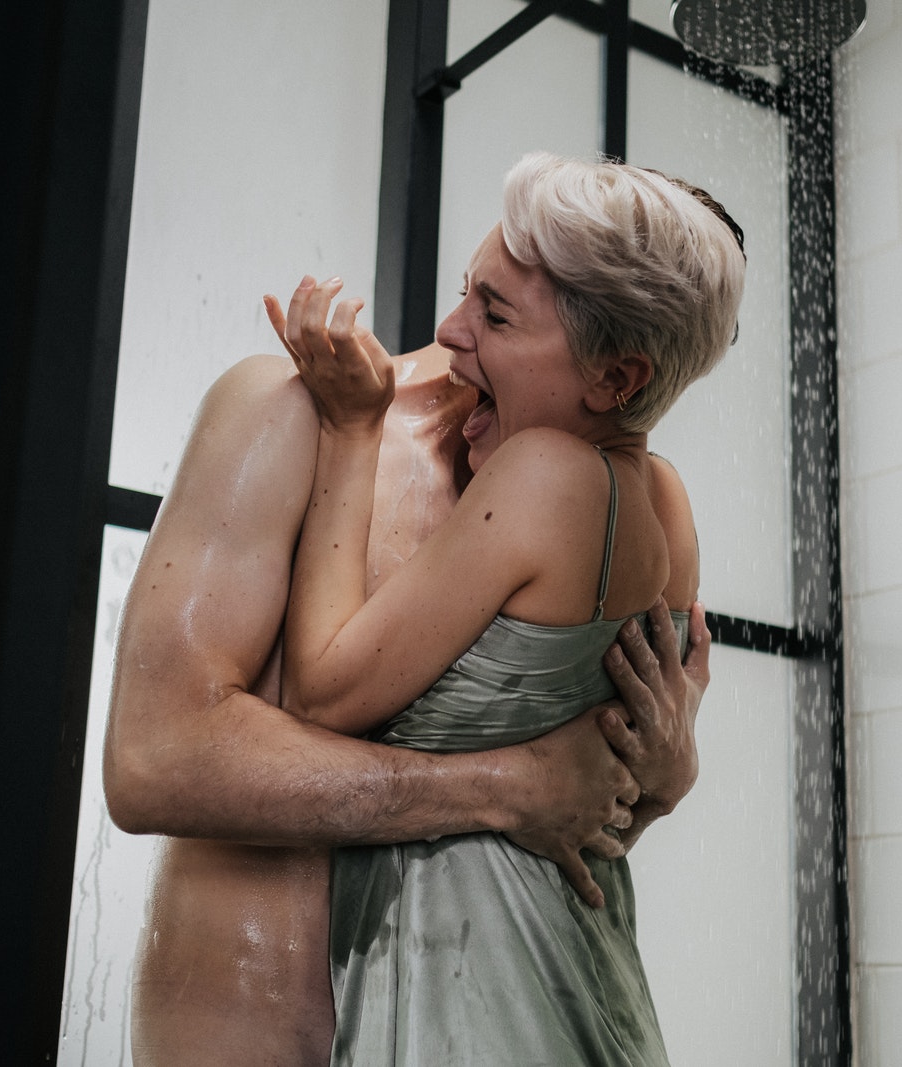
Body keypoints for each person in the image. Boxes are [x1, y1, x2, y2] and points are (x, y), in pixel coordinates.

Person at [103, 262, 713, 1060]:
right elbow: (155, 756)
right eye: (476, 293)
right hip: (249, 1027)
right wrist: (504, 786)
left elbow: (590, 814)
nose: (453, 324)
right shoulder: (289, 414)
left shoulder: (628, 504)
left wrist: (666, 773)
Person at [273, 151, 746, 1065]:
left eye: (493, 314)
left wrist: (348, 430)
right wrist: (673, 773)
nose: (450, 331)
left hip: (484, 997)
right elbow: (631, 796)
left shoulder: (543, 476)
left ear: (616, 379)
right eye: (467, 292)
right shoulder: (668, 505)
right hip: (584, 973)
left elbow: (322, 696)